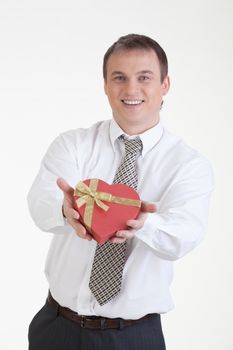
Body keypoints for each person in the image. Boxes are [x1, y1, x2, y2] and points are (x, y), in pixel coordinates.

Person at [27, 34, 214, 350]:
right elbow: (39, 202)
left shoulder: (189, 165)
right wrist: (64, 209)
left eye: (144, 77)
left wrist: (143, 225)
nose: (131, 89)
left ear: (164, 85)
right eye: (119, 78)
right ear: (105, 85)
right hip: (56, 328)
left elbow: (185, 234)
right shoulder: (73, 145)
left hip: (133, 337)